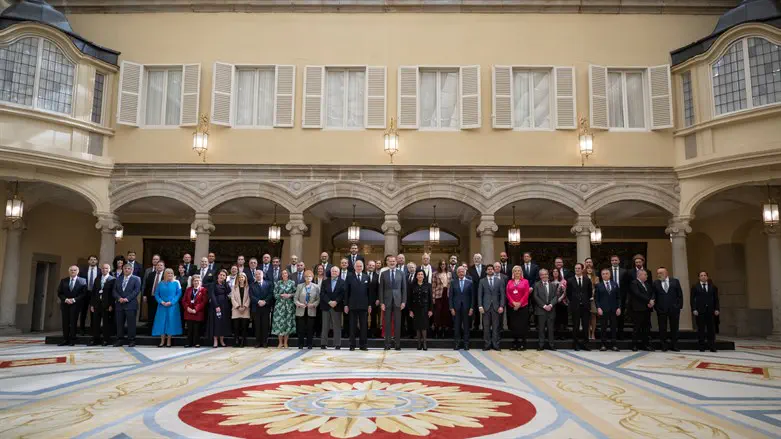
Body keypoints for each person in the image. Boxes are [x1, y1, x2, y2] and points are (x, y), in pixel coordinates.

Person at [379, 254, 407, 350]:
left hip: (398, 301)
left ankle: (397, 344)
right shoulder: (383, 273)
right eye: (390, 261)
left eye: (393, 261)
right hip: (386, 302)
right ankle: (387, 344)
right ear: (387, 262)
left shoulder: (401, 273)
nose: (392, 263)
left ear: (396, 262)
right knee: (387, 323)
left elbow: (404, 289)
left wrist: (403, 301)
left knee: (397, 323)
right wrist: (382, 302)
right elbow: (381, 289)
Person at [653, 267, 683, 352]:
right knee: (662, 328)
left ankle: (674, 345)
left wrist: (679, 306)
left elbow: (679, 295)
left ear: (666, 273)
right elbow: (654, 295)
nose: (659, 275)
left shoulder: (675, 281)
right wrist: (656, 307)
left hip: (674, 309)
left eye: (661, 273)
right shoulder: (656, 283)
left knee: (674, 328)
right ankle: (664, 345)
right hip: (661, 309)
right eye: (658, 273)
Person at [152, 268, 183, 348]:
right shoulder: (161, 283)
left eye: (171, 273)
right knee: (161, 323)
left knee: (170, 322)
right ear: (165, 274)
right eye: (168, 273)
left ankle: (169, 340)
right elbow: (156, 294)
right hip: (162, 306)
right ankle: (162, 341)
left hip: (172, 306)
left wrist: (171, 302)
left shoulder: (176, 283)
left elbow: (178, 294)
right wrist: (161, 302)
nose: (170, 275)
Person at [345, 260, 372, 351]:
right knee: (352, 326)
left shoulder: (366, 277)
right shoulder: (349, 277)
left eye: (361, 266)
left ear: (363, 267)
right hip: (352, 305)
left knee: (364, 326)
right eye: (357, 266)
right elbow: (346, 292)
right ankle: (352, 345)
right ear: (354, 267)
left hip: (364, 306)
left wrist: (369, 305)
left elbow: (369, 293)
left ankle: (363, 345)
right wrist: (346, 305)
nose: (359, 268)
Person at [113, 263, 141, 347]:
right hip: (119, 304)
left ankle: (131, 340)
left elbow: (136, 291)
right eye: (125, 268)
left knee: (131, 324)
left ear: (131, 270)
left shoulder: (136, 279)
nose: (126, 270)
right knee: (119, 323)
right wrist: (119, 298)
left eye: (128, 268)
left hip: (131, 305)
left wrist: (127, 299)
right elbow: (114, 291)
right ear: (123, 269)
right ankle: (120, 340)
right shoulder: (118, 279)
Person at [57, 266, 87, 346]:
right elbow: (60, 293)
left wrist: (74, 299)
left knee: (73, 322)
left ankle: (73, 340)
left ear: (78, 271)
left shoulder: (83, 281)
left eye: (74, 270)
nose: (73, 271)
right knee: (65, 322)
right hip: (65, 304)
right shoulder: (64, 280)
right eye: (71, 270)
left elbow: (83, 293)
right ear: (69, 271)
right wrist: (65, 299)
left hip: (76, 304)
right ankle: (65, 339)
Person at [478, 265, 505, 351]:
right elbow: (479, 295)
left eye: (491, 269)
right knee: (486, 327)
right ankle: (487, 344)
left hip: (496, 307)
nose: (490, 270)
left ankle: (495, 344)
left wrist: (501, 306)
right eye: (488, 269)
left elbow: (502, 295)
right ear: (486, 271)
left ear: (494, 270)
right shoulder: (482, 281)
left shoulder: (499, 281)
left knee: (496, 327)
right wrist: (480, 306)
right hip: (485, 307)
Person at [692, 271, 720, 352]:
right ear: (699, 277)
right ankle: (701, 346)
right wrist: (694, 309)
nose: (703, 277)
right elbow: (692, 299)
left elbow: (716, 299)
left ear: (707, 277)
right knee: (701, 329)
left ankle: (712, 346)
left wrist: (717, 309)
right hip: (700, 311)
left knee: (711, 329)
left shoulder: (713, 287)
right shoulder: (695, 287)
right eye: (701, 275)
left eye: (705, 275)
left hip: (710, 311)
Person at [567, 263, 592, 351]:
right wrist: (575, 301)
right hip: (575, 306)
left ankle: (586, 344)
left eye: (578, 268)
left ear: (582, 270)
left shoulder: (587, 280)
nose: (577, 270)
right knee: (576, 326)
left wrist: (584, 300)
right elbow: (568, 294)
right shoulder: (570, 280)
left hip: (585, 306)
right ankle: (575, 344)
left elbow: (589, 293)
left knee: (586, 326)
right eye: (575, 268)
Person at [89, 263, 115, 346]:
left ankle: (106, 340)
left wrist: (111, 305)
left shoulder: (113, 279)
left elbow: (113, 294)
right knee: (95, 322)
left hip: (106, 305)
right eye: (103, 268)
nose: (104, 270)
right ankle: (95, 339)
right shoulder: (97, 278)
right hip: (97, 304)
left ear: (109, 269)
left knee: (106, 323)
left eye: (106, 268)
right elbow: (93, 292)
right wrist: (92, 305)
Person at [595, 268, 621, 351]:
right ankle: (603, 344)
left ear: (610, 275)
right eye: (603, 274)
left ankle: (614, 344)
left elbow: (618, 298)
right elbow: (597, 299)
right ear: (601, 276)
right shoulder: (599, 285)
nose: (605, 275)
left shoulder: (615, 284)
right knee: (603, 328)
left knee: (613, 327)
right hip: (603, 310)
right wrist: (598, 307)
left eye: (607, 273)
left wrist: (619, 307)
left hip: (613, 309)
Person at [534, 269, 560, 350]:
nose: (544, 276)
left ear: (548, 275)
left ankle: (551, 345)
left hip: (551, 310)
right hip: (541, 310)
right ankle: (541, 345)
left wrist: (551, 305)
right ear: (540, 276)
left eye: (546, 274)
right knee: (541, 329)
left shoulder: (553, 285)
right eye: (542, 274)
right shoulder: (537, 285)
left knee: (551, 329)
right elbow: (535, 296)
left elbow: (556, 296)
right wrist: (544, 306)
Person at [320, 266, 346, 349]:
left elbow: (342, 294)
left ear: (338, 273)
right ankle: (323, 343)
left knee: (337, 326)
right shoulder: (325, 282)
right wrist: (329, 302)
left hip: (337, 306)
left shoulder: (342, 282)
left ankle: (337, 344)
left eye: (336, 271)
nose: (334, 272)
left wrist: (336, 301)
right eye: (333, 271)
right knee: (325, 326)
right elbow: (322, 293)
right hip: (326, 306)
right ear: (330, 272)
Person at [629, 269, 655, 352]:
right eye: (645, 275)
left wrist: (651, 301)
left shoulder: (647, 284)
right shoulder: (634, 283)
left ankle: (645, 344)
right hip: (638, 309)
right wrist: (648, 300)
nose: (647, 276)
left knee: (646, 328)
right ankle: (634, 345)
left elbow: (651, 293)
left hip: (647, 309)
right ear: (639, 275)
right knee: (637, 327)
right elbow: (637, 294)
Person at [450, 266, 474, 350]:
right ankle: (457, 343)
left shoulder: (470, 282)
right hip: (456, 308)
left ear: (465, 272)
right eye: (459, 272)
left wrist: (471, 308)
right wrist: (451, 308)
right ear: (457, 273)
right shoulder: (453, 282)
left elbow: (472, 297)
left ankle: (466, 343)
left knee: (466, 326)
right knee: (457, 326)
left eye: (462, 271)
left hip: (467, 308)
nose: (461, 273)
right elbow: (451, 296)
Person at [506, 265, 530, 351]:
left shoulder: (525, 281)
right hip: (512, 307)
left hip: (523, 306)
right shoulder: (509, 282)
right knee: (514, 325)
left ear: (521, 272)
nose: (517, 272)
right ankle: (515, 343)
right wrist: (513, 303)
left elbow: (526, 293)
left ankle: (523, 343)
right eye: (515, 271)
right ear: (513, 273)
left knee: (522, 325)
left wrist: (519, 303)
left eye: (519, 271)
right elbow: (507, 293)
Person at [295, 270, 320, 349]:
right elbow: (295, 299)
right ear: (304, 277)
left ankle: (310, 344)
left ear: (312, 277)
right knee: (301, 329)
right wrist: (299, 304)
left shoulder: (316, 287)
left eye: (310, 276)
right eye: (306, 276)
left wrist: (313, 305)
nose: (308, 278)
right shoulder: (300, 286)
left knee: (310, 329)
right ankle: (300, 344)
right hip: (301, 310)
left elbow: (318, 299)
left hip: (311, 310)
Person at [409, 268, 433, 350]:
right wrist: (410, 310)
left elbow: (430, 298)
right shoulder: (412, 285)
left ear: (424, 276)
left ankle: (425, 343)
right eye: (418, 274)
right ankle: (419, 343)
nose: (420, 276)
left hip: (425, 309)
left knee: (424, 326)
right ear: (416, 276)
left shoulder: (428, 285)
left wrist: (430, 310)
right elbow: (410, 299)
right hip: (415, 309)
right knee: (417, 326)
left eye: (421, 274)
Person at [207, 270, 232, 348]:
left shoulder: (225, 284)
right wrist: (216, 306)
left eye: (224, 275)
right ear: (218, 275)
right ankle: (215, 340)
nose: (222, 276)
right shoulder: (213, 284)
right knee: (216, 323)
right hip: (216, 305)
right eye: (221, 275)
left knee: (223, 323)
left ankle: (221, 339)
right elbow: (212, 296)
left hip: (225, 306)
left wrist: (226, 283)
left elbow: (229, 291)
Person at [272, 269, 296, 348]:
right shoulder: (278, 283)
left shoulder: (292, 283)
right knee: (279, 324)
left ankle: (285, 342)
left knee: (287, 324)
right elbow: (274, 294)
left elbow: (295, 293)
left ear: (288, 274)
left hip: (289, 306)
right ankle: (280, 342)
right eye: (283, 273)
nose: (284, 274)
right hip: (279, 306)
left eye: (285, 273)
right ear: (281, 275)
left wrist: (289, 295)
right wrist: (281, 295)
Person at [182, 274, 207, 348]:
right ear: (192, 282)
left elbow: (204, 301)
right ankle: (189, 343)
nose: (196, 282)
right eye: (195, 281)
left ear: (200, 282)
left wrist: (196, 309)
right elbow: (184, 300)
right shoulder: (188, 289)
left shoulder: (203, 290)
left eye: (198, 281)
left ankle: (197, 342)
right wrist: (188, 308)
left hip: (198, 312)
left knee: (197, 329)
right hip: (189, 312)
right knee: (189, 329)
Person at [250, 269, 274, 348]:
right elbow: (251, 295)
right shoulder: (252, 285)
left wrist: (265, 301)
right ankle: (257, 342)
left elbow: (271, 294)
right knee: (257, 325)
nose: (257, 275)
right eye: (256, 274)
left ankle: (264, 342)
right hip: (256, 307)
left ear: (262, 275)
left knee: (265, 325)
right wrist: (258, 301)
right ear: (254, 276)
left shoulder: (269, 284)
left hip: (266, 307)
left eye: (259, 274)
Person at [78, 255, 99, 336]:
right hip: (85, 293)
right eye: (91, 259)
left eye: (94, 259)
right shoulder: (83, 271)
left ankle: (93, 329)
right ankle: (82, 329)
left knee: (94, 312)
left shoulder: (100, 271)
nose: (93, 261)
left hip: (95, 294)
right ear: (88, 261)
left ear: (97, 261)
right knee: (83, 311)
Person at [609, 255, 629, 339]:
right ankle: (612, 334)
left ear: (619, 261)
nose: (614, 262)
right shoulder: (607, 271)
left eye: (616, 260)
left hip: (621, 297)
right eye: (613, 260)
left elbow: (626, 285)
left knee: (621, 316)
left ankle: (620, 334)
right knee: (611, 316)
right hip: (610, 296)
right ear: (611, 261)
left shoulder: (624, 271)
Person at [432, 260, 452, 339]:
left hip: (447, 295)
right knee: (437, 313)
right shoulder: (435, 274)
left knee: (445, 313)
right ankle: (436, 331)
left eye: (444, 264)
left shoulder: (449, 274)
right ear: (439, 265)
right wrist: (433, 297)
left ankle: (443, 331)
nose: (443, 265)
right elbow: (433, 286)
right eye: (441, 264)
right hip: (438, 295)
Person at [230, 272, 251, 347]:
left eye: (242, 277)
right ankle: (236, 341)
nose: (241, 279)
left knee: (244, 327)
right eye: (239, 277)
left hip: (245, 309)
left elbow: (249, 298)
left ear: (245, 278)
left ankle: (243, 342)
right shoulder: (234, 287)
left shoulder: (248, 287)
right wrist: (238, 307)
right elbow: (232, 298)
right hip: (236, 310)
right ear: (237, 279)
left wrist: (245, 306)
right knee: (236, 327)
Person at [366, 260, 381, 338]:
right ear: (367, 266)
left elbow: (379, 289)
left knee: (374, 317)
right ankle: (365, 333)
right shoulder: (363, 275)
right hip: (364, 300)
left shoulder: (377, 276)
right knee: (364, 317)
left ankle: (373, 333)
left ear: (375, 267)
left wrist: (378, 299)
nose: (371, 267)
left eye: (373, 265)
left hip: (374, 300)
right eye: (370, 265)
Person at [586, 265, 598, 341]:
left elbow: (598, 289)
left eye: (591, 268)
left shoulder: (596, 278)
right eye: (588, 268)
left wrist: (594, 295)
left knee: (593, 316)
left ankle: (593, 333)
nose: (589, 269)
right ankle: (588, 334)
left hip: (593, 300)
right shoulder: (584, 277)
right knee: (587, 317)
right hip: (586, 299)